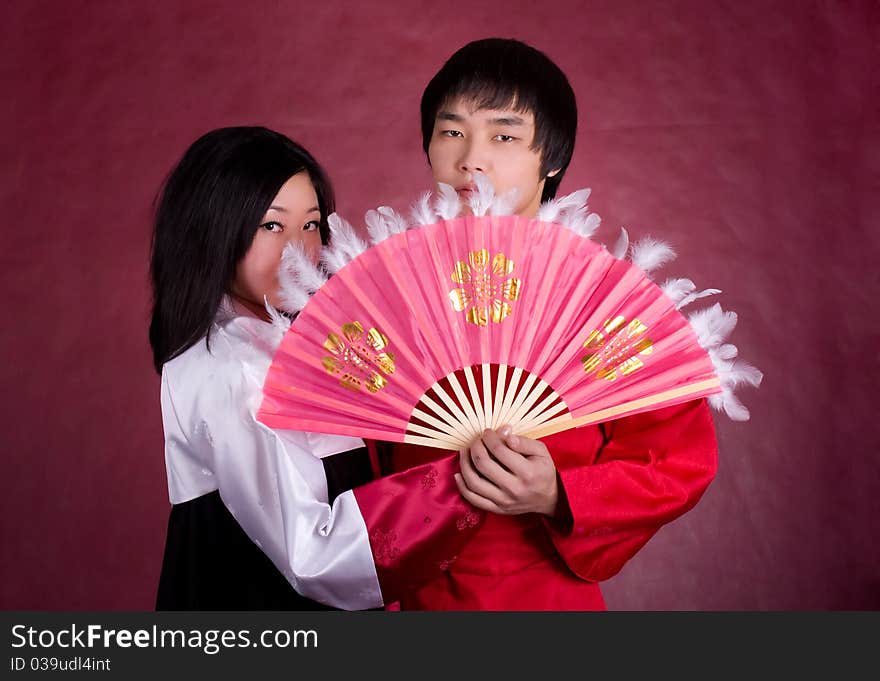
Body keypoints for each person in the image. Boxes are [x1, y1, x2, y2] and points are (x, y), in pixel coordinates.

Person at [379, 38, 720, 610]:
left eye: (504, 136)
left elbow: (679, 463)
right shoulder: (385, 294)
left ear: (552, 158)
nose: (472, 159)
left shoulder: (605, 301)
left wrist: (560, 493)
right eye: (452, 131)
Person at [149, 126, 518, 610]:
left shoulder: (291, 345)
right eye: (271, 226)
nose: (298, 250)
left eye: (310, 225)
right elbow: (313, 555)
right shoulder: (229, 367)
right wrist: (464, 478)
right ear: (215, 230)